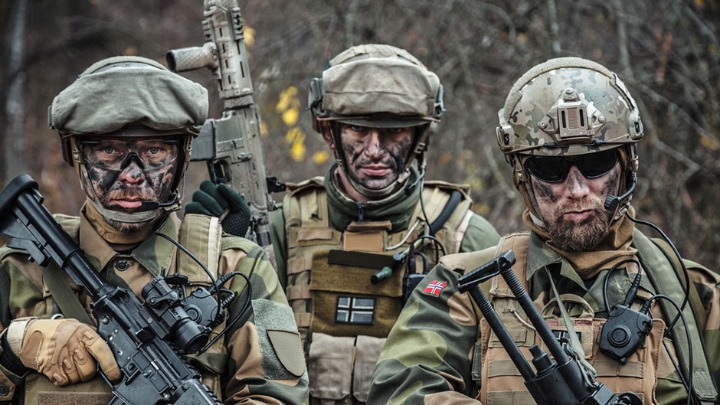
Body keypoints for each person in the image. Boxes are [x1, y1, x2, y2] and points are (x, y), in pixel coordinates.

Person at [368, 57, 720, 404]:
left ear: (626, 166)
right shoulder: (464, 286)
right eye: (551, 169)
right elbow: (400, 391)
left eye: (595, 163)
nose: (577, 190)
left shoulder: (695, 296)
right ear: (523, 176)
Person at [188, 44, 501, 404]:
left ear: (420, 137)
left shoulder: (466, 236)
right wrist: (216, 250)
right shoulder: (281, 227)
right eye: (357, 129)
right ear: (328, 133)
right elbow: (218, 351)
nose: (375, 150)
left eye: (395, 131)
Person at [0, 56, 308, 404]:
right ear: (76, 153)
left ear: (182, 157)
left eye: (155, 150)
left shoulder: (237, 268)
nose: (132, 175)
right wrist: (13, 349)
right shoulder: (16, 270)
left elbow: (279, 397)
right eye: (108, 150)